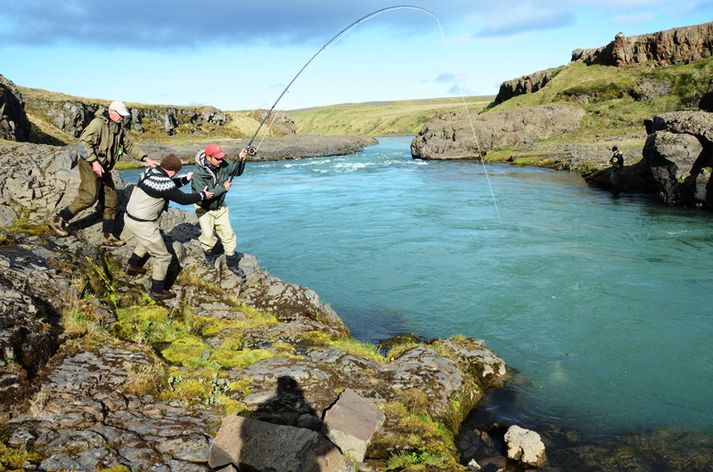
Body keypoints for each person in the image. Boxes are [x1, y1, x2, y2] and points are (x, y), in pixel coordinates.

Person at [47, 100, 159, 246]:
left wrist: (146, 159)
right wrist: (94, 162)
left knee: (111, 199)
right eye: (121, 115)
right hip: (89, 163)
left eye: (124, 115)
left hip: (104, 167)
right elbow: (83, 143)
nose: (123, 118)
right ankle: (59, 220)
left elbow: (129, 146)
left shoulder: (118, 128)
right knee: (89, 196)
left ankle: (109, 236)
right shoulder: (97, 124)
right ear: (112, 112)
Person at [123, 154, 214, 301]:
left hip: (130, 217)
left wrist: (185, 179)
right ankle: (157, 290)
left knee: (145, 241)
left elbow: (166, 187)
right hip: (143, 223)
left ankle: (132, 266)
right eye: (177, 173)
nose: (176, 175)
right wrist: (202, 195)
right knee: (163, 256)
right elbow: (182, 199)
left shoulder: (149, 172)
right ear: (172, 171)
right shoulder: (163, 182)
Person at [192, 143, 248, 275]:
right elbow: (202, 198)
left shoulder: (221, 163)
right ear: (208, 157)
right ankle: (209, 255)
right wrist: (223, 188)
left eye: (221, 157)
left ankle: (232, 264)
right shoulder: (198, 174)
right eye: (217, 158)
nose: (220, 160)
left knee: (229, 236)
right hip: (204, 209)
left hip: (221, 207)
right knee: (207, 237)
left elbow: (236, 171)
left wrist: (241, 159)